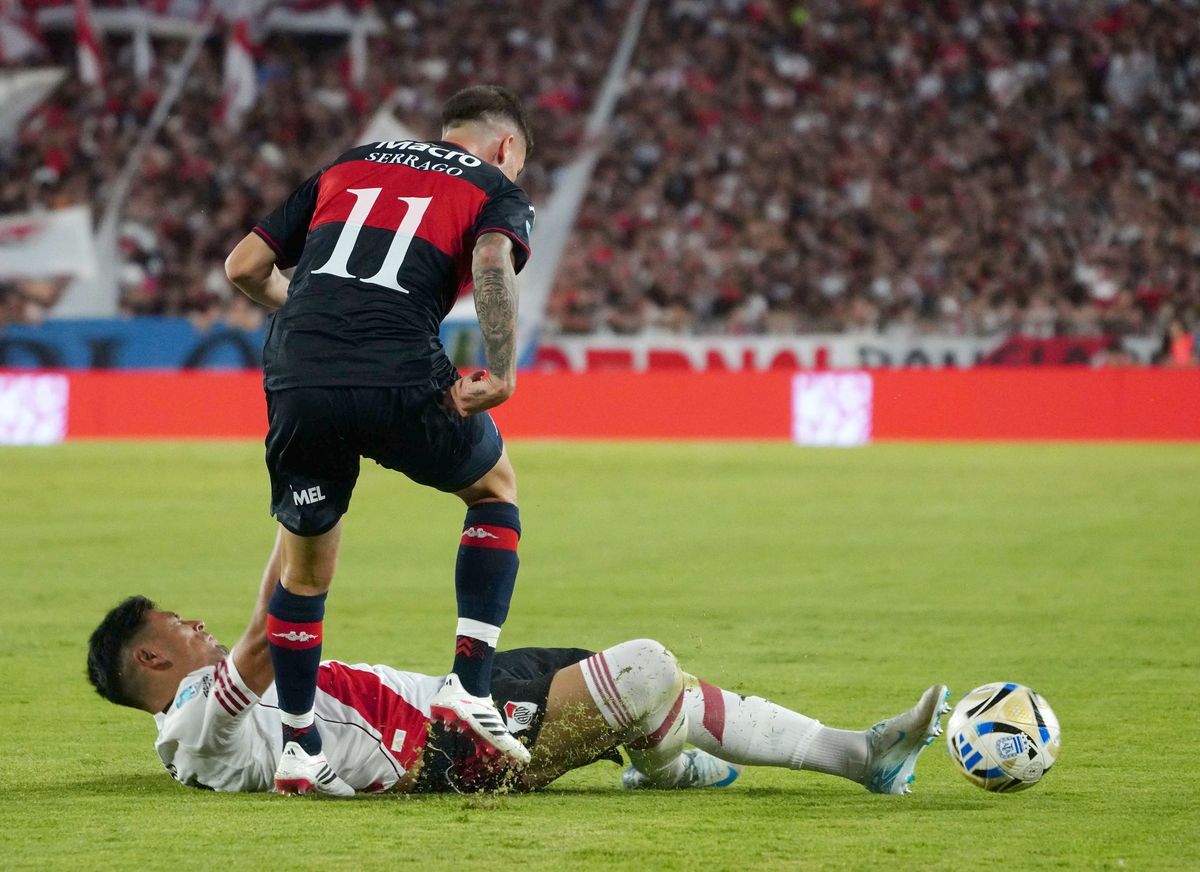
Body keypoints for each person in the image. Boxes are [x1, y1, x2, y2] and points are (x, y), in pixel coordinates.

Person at [85, 534, 951, 797]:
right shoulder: (196, 716)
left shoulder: (203, 721)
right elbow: (271, 633)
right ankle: (847, 757)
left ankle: (669, 762)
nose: (200, 631)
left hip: (442, 702)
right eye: (181, 626)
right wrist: (302, 508)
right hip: (448, 752)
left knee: (597, 671)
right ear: (152, 657)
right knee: (645, 671)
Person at [222, 85, 538, 792]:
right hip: (399, 368)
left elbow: (242, 267)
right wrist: (505, 371)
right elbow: (491, 263)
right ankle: (469, 684)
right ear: (505, 148)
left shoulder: (351, 162)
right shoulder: (492, 185)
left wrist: (304, 316)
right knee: (493, 490)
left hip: (298, 376)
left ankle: (299, 747)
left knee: (304, 570)